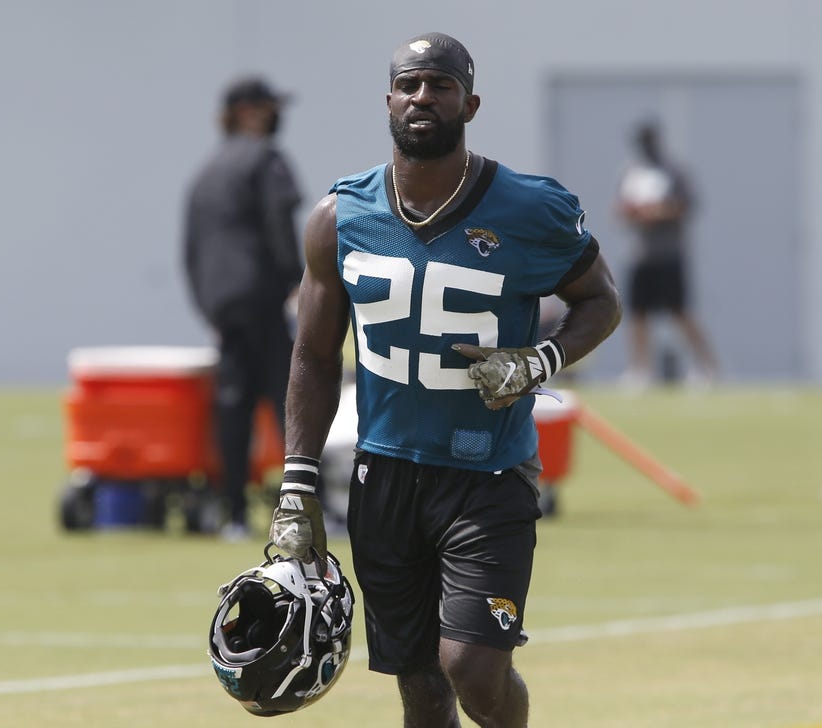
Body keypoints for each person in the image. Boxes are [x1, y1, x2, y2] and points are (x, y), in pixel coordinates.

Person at [267, 32, 621, 728]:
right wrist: (297, 483)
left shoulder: (529, 208)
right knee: (420, 684)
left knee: (473, 667)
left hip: (487, 476)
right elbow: (311, 354)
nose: (423, 97)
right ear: (389, 101)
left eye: (440, 85)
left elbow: (601, 299)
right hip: (386, 474)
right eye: (410, 84)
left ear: (471, 103)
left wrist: (538, 361)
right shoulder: (340, 217)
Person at [183, 76, 303, 540]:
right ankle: (301, 507)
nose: (278, 118)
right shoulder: (265, 160)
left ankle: (231, 511)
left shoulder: (206, 171)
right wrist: (297, 281)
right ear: (249, 112)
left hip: (224, 306)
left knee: (234, 409)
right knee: (291, 401)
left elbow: (190, 249)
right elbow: (279, 222)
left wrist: (210, 307)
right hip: (264, 298)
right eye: (271, 108)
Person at [615, 121, 718, 388]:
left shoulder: (673, 171)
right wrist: (634, 212)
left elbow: (687, 204)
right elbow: (620, 210)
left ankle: (706, 366)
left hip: (669, 253)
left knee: (680, 311)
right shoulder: (632, 173)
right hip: (641, 254)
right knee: (638, 314)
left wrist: (658, 211)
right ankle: (640, 370)